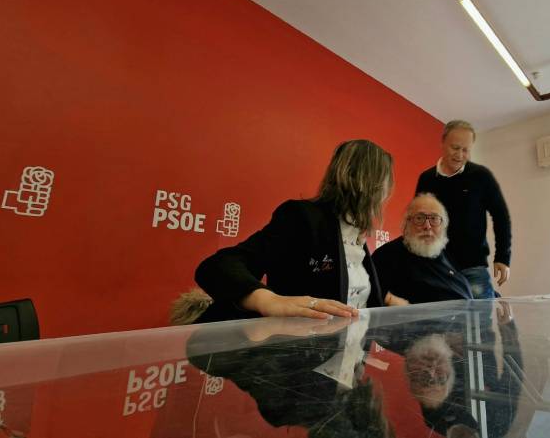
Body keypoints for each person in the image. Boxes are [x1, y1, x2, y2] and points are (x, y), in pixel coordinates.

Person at [194, 139, 403, 323]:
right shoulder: (302, 217)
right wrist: (267, 300)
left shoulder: (358, 237)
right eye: (385, 182)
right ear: (370, 182)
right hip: (301, 350)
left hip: (353, 353)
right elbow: (220, 265)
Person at [416, 120, 512, 299]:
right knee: (442, 317)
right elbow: (418, 221)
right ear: (443, 142)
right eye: (455, 148)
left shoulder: (481, 176)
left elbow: (501, 216)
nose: (460, 155)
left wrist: (503, 257)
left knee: (481, 316)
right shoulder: (426, 179)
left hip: (473, 267)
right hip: (436, 267)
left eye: (465, 150)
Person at [372, 193, 472, 304]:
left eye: (434, 219)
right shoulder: (387, 255)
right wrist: (390, 300)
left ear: (443, 226)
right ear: (406, 224)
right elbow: (373, 294)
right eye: (419, 218)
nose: (427, 226)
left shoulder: (447, 256)